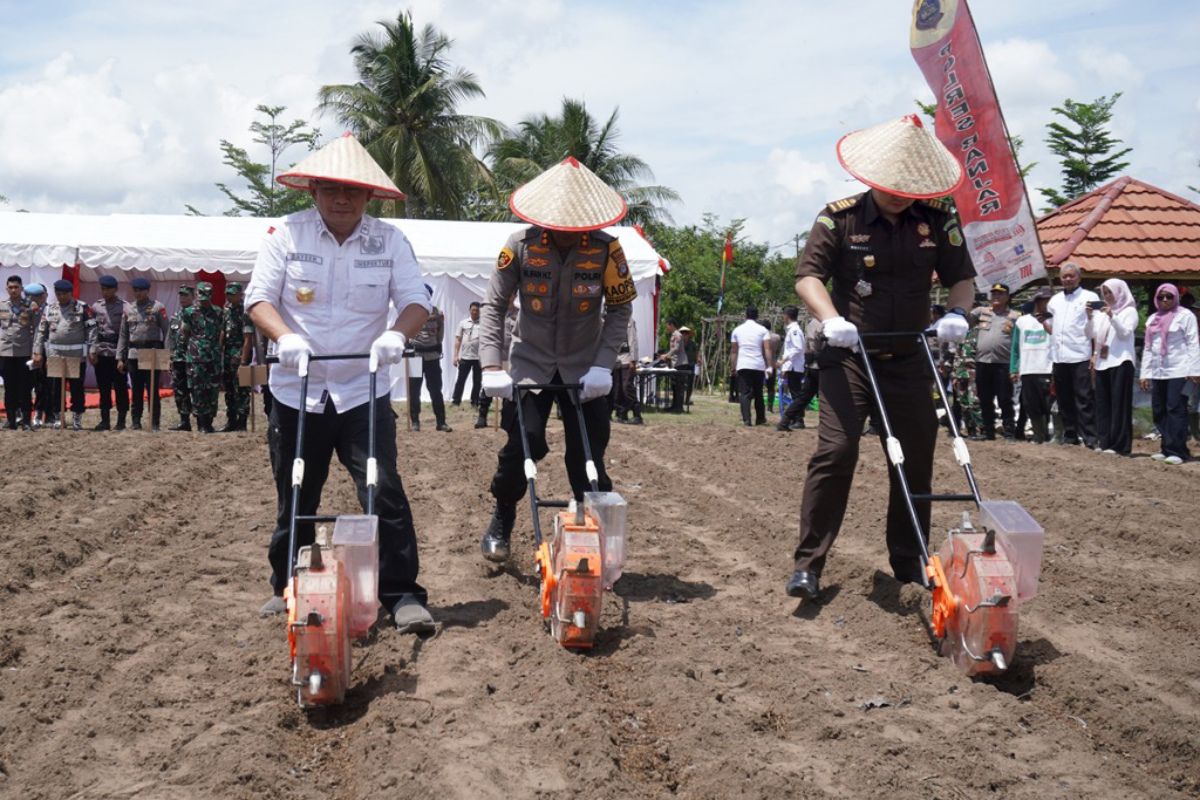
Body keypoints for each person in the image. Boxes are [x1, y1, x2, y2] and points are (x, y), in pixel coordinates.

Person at [246, 132, 436, 634]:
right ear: (313, 190)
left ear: (369, 195)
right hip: (296, 389)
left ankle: (401, 593)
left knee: (383, 490)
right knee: (296, 490)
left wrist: (398, 333)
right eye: (331, 189)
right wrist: (285, 337)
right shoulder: (285, 235)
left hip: (362, 389)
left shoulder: (390, 241)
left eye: (353, 190)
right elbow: (259, 298)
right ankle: (285, 585)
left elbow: (417, 299)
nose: (342, 198)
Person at [785, 114, 976, 600]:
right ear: (871, 178)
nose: (899, 194)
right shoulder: (840, 216)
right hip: (850, 355)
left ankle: (910, 561)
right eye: (890, 186)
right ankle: (809, 563)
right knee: (837, 450)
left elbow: (963, 276)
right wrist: (831, 319)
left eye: (908, 187)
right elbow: (808, 277)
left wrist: (958, 312)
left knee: (916, 454)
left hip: (909, 356)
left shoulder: (936, 220)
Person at [476, 157, 636, 563]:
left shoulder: (607, 250)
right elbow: (494, 306)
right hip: (530, 364)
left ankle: (592, 527)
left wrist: (604, 363)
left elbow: (620, 311)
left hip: (587, 369)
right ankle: (504, 512)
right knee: (523, 443)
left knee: (588, 452)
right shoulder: (519, 245)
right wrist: (492, 364)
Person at [1139, 284, 1200, 464]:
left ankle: (1178, 451)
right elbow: (1149, 348)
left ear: (1175, 298)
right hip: (1158, 371)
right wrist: (1145, 373)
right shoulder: (1152, 319)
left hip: (1179, 370)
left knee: (1175, 408)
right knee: (1159, 409)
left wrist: (1195, 370)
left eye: (1169, 297)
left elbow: (1193, 343)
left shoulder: (1184, 316)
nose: (1165, 300)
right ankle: (1166, 448)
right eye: (1161, 297)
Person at [1046, 262, 1100, 447]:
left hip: (1080, 355)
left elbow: (1097, 325)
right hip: (1059, 356)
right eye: (1064, 276)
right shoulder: (1054, 301)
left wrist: (1095, 353)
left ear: (1079, 277)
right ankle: (1070, 436)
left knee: (1083, 398)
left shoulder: (1090, 297)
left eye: (1071, 276)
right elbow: (1052, 326)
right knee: (1063, 398)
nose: (1068, 279)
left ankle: (1090, 438)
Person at [33, 279, 97, 430]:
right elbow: (41, 331)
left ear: (70, 293)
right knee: (55, 388)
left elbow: (92, 330)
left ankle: (76, 417)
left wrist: (93, 349)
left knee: (76, 388)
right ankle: (57, 416)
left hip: (75, 355)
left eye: (64, 294)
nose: (61, 297)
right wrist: (37, 351)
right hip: (55, 354)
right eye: (58, 294)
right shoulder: (50, 309)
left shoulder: (82, 307)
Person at [1087, 278, 1137, 455]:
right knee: (1103, 404)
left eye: (1110, 292)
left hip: (1121, 361)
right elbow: (1090, 334)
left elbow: (1124, 333)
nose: (1107, 296)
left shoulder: (1129, 311)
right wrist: (1089, 318)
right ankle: (1105, 441)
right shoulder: (1101, 314)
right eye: (1105, 293)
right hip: (1103, 363)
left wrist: (1112, 316)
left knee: (1119, 405)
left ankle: (1120, 445)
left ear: (1120, 292)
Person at [116, 277, 169, 431]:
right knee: (136, 390)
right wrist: (120, 357)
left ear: (147, 291)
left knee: (152, 389)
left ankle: (154, 422)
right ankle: (136, 421)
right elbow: (123, 335)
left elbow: (166, 332)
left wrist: (167, 356)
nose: (138, 293)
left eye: (141, 291)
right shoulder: (128, 309)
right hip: (133, 353)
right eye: (135, 290)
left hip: (152, 352)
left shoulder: (158, 307)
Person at [968, 283, 1020, 439]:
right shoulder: (981, 312)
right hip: (983, 362)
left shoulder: (1015, 316)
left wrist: (1016, 366)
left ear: (1007, 297)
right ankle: (988, 431)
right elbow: (966, 320)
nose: (996, 296)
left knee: (1005, 398)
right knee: (985, 398)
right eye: (994, 294)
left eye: (1000, 294)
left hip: (1003, 363)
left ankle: (1009, 431)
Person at [1009, 288, 1054, 444]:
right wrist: (1014, 368)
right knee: (1030, 404)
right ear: (1036, 301)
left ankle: (1047, 434)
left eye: (1049, 300)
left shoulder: (1054, 320)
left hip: (1047, 368)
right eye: (1044, 300)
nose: (1047, 303)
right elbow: (1015, 347)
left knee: (1047, 404)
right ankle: (1038, 435)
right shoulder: (1022, 321)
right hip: (1028, 369)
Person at [179, 282, 224, 434]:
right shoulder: (189, 312)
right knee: (197, 390)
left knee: (212, 390)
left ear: (211, 295)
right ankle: (201, 423)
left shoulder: (218, 311)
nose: (203, 300)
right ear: (197, 295)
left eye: (206, 297)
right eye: (201, 296)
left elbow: (221, 332)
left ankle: (209, 422)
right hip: (196, 357)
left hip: (213, 357)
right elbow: (185, 333)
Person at [407, 287, 450, 432]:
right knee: (414, 390)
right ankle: (415, 421)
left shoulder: (437, 313)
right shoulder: (410, 311)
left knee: (436, 390)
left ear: (430, 296)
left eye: (427, 294)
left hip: (432, 356)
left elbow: (440, 333)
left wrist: (436, 346)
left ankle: (441, 422)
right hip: (415, 355)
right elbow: (406, 332)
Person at [90, 274, 130, 431]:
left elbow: (126, 333)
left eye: (108, 289)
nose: (105, 292)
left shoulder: (125, 307)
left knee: (120, 388)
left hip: (117, 352)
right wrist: (92, 350)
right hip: (101, 352)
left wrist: (122, 356)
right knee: (103, 388)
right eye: (103, 289)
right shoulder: (96, 306)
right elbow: (92, 330)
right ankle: (104, 420)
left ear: (115, 290)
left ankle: (121, 421)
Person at [1, 275, 38, 430]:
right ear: (6, 288)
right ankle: (10, 420)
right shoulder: (2, 305)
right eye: (11, 287)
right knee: (9, 388)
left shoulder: (31, 306)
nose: (13, 290)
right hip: (6, 352)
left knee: (25, 388)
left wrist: (36, 351)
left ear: (22, 288)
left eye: (16, 287)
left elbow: (37, 330)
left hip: (24, 352)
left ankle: (27, 421)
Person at [217, 282, 253, 432]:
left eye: (232, 294)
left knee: (242, 390)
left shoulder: (245, 312)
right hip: (228, 354)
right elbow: (223, 332)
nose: (229, 297)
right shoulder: (226, 311)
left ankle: (242, 422)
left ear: (240, 294)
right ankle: (231, 421)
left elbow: (248, 338)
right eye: (228, 294)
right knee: (229, 390)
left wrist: (243, 363)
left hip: (240, 353)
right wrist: (219, 350)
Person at [730, 306, 771, 426]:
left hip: (743, 364)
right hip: (758, 364)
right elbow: (767, 349)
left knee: (745, 393)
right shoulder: (763, 330)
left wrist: (733, 367)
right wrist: (769, 365)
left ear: (745, 315)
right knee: (758, 392)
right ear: (757, 316)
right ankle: (760, 418)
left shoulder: (737, 330)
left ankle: (746, 419)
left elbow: (734, 351)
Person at [166, 286, 195, 431]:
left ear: (193, 296)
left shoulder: (197, 314)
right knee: (180, 390)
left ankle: (203, 421)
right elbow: (170, 338)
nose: (183, 298)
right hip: (178, 358)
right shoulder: (176, 316)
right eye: (181, 296)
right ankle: (184, 421)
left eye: (186, 295)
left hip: (194, 359)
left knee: (196, 389)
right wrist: (169, 356)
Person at [776, 305, 807, 431]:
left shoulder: (794, 330)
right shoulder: (792, 329)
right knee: (795, 393)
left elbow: (797, 348)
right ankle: (797, 418)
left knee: (796, 394)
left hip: (794, 366)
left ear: (787, 316)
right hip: (792, 366)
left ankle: (799, 419)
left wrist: (784, 361)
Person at [451, 301, 483, 408]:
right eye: (473, 310)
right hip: (465, 356)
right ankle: (456, 401)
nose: (474, 312)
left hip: (479, 358)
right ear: (469, 310)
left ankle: (475, 402)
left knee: (477, 381)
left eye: (477, 310)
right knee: (460, 380)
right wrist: (455, 355)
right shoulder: (463, 323)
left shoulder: (484, 324)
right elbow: (458, 339)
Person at [612, 316, 643, 424]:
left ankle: (637, 414)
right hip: (616, 357)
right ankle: (622, 414)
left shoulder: (629, 320)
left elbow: (633, 340)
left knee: (627, 387)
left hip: (626, 357)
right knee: (618, 388)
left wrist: (633, 359)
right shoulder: (613, 320)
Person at [666, 320, 689, 412]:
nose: (667, 328)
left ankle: (679, 407)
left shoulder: (678, 335)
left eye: (667, 325)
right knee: (675, 386)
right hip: (675, 363)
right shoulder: (673, 335)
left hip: (681, 364)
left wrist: (667, 355)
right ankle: (674, 406)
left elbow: (676, 348)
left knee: (679, 386)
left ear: (671, 325)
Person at [762, 319, 783, 414]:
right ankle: (770, 407)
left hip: (761, 363)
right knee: (771, 387)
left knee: (758, 386)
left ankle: (760, 405)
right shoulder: (776, 337)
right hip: (772, 363)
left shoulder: (761, 336)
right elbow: (779, 351)